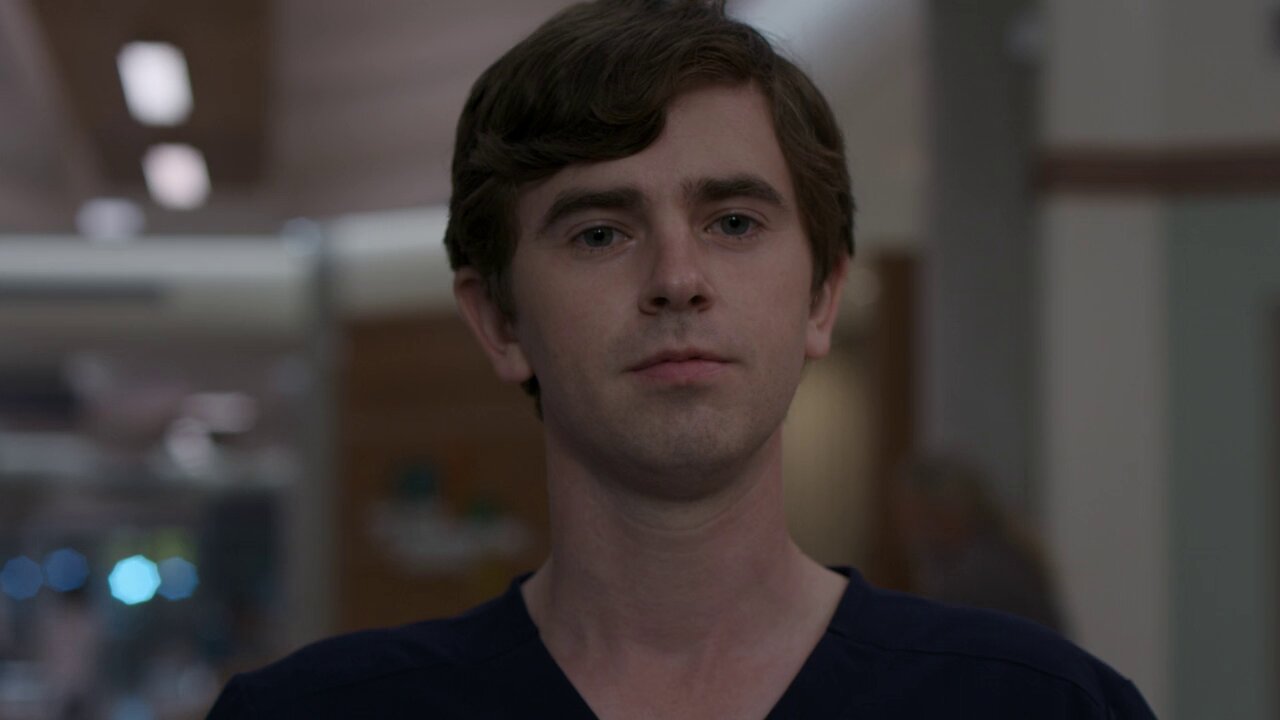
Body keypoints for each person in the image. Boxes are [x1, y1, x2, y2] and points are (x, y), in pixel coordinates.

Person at [208, 1, 1156, 717]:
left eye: (733, 222)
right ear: (498, 321)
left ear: (822, 297)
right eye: (599, 233)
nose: (677, 279)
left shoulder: (1042, 706)